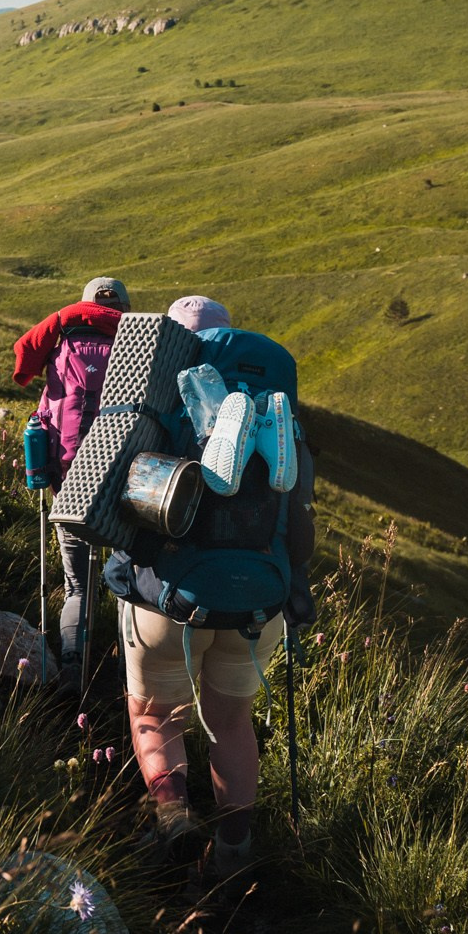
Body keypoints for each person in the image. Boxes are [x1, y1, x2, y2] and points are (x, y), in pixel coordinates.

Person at [119, 294, 314, 880]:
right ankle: (233, 852)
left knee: (156, 715)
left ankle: (174, 816)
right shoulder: (280, 407)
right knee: (231, 723)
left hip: (168, 596)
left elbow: (108, 499)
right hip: (258, 598)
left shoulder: (152, 399)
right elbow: (299, 518)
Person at [11, 276, 129, 682]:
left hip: (69, 477)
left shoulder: (61, 337)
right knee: (128, 578)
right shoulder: (137, 343)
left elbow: (29, 362)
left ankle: (72, 663)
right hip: (123, 484)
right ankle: (129, 672)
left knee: (77, 585)